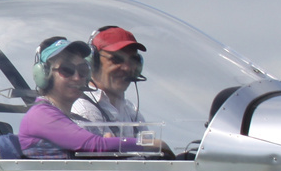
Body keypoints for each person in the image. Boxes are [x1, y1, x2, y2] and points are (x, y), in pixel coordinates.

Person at [18, 37, 138, 158]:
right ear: (44, 74)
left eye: (82, 70)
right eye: (67, 70)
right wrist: (148, 144)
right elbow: (96, 145)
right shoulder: (41, 114)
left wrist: (109, 145)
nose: (77, 77)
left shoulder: (76, 120)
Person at [71, 24, 173, 157]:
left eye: (134, 60)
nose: (127, 68)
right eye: (117, 59)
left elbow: (149, 156)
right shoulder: (84, 109)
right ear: (93, 62)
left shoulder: (130, 110)